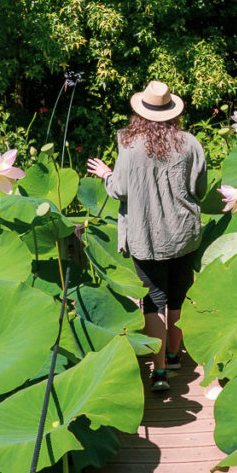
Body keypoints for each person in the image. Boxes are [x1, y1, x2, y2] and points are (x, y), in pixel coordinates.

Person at [87, 81, 207, 392]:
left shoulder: (129, 147)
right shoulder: (191, 143)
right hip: (184, 232)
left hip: (146, 234)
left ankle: (160, 373)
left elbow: (119, 190)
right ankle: (175, 354)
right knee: (180, 295)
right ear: (172, 113)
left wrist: (105, 175)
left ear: (141, 114)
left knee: (154, 300)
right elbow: (200, 189)